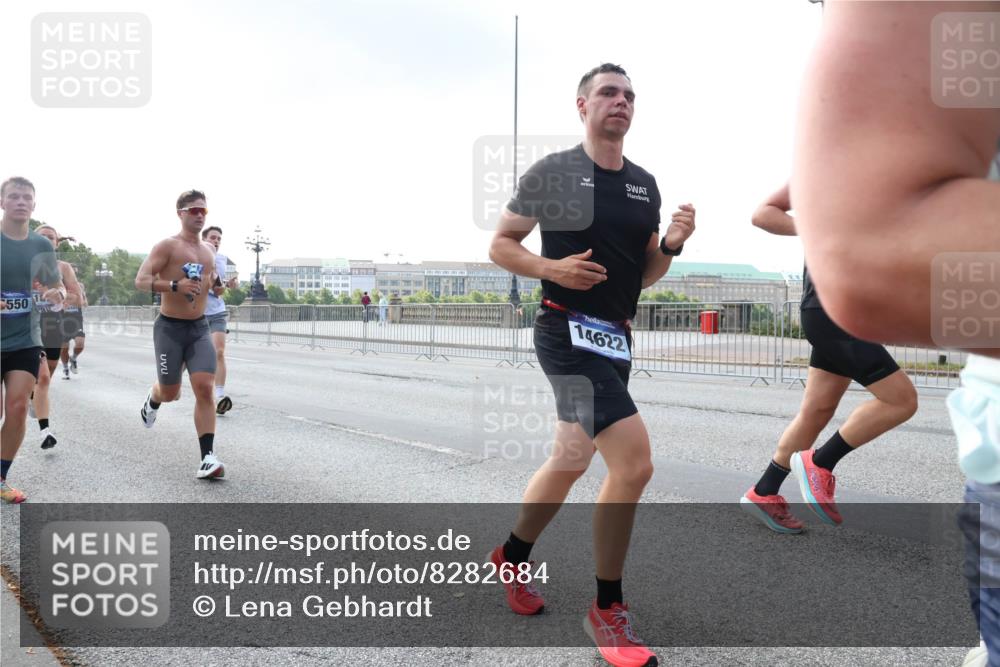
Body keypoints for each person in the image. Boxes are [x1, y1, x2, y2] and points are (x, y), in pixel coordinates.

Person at [791, 2, 1000, 663]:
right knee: (899, 398)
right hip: (826, 300)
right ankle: (814, 466)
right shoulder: (856, 137)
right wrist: (817, 220)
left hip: (828, 297)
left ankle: (775, 479)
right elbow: (857, 237)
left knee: (817, 406)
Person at [488, 63, 695, 667]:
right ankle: (607, 609)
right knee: (634, 465)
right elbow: (501, 243)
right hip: (563, 332)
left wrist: (673, 246)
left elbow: (643, 275)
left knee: (571, 459)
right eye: (608, 92)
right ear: (582, 106)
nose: (621, 102)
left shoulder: (644, 184)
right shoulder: (553, 172)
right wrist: (552, 269)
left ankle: (512, 555)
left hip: (616, 338)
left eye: (630, 95)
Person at [740, 183, 917, 532]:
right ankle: (821, 462)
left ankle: (765, 491)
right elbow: (762, 214)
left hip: (850, 313)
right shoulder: (826, 165)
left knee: (816, 410)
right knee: (902, 400)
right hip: (832, 309)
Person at [134, 189, 224, 479]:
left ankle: (207, 458)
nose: (199, 215)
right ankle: (154, 398)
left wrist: (218, 285)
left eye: (204, 211)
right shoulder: (167, 246)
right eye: (194, 210)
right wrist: (175, 286)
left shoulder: (208, 251)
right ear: (181, 213)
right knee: (171, 392)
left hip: (199, 328)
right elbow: (141, 280)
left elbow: (212, 280)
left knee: (204, 388)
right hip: (169, 328)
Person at [0, 176, 65, 502]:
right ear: (3, 202)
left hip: (25, 338)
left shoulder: (41, 246)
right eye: (14, 196)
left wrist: (55, 293)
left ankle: (0, 478)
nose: (21, 201)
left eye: (27, 197)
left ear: (34, 205)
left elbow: (57, 287)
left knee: (15, 407)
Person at [30, 225, 83, 450]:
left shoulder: (63, 267)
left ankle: (34, 397)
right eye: (42, 237)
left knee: (47, 375)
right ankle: (45, 431)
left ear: (56, 243)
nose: (47, 240)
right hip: (26, 326)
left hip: (52, 324)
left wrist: (59, 296)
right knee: (42, 378)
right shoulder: (22, 262)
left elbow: (77, 297)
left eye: (51, 237)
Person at [201, 225, 237, 415]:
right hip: (197, 313)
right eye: (213, 237)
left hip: (217, 312)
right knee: (190, 358)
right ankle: (166, 387)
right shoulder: (194, 256)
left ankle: (220, 395)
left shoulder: (222, 260)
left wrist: (228, 285)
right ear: (203, 239)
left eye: (219, 239)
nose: (216, 241)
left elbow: (218, 290)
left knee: (219, 352)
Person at [60, 276, 87, 378]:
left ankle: (74, 358)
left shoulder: (79, 286)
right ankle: (66, 368)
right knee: (64, 349)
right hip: (63, 321)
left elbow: (85, 303)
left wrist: (74, 301)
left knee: (80, 343)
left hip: (76, 320)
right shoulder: (58, 287)